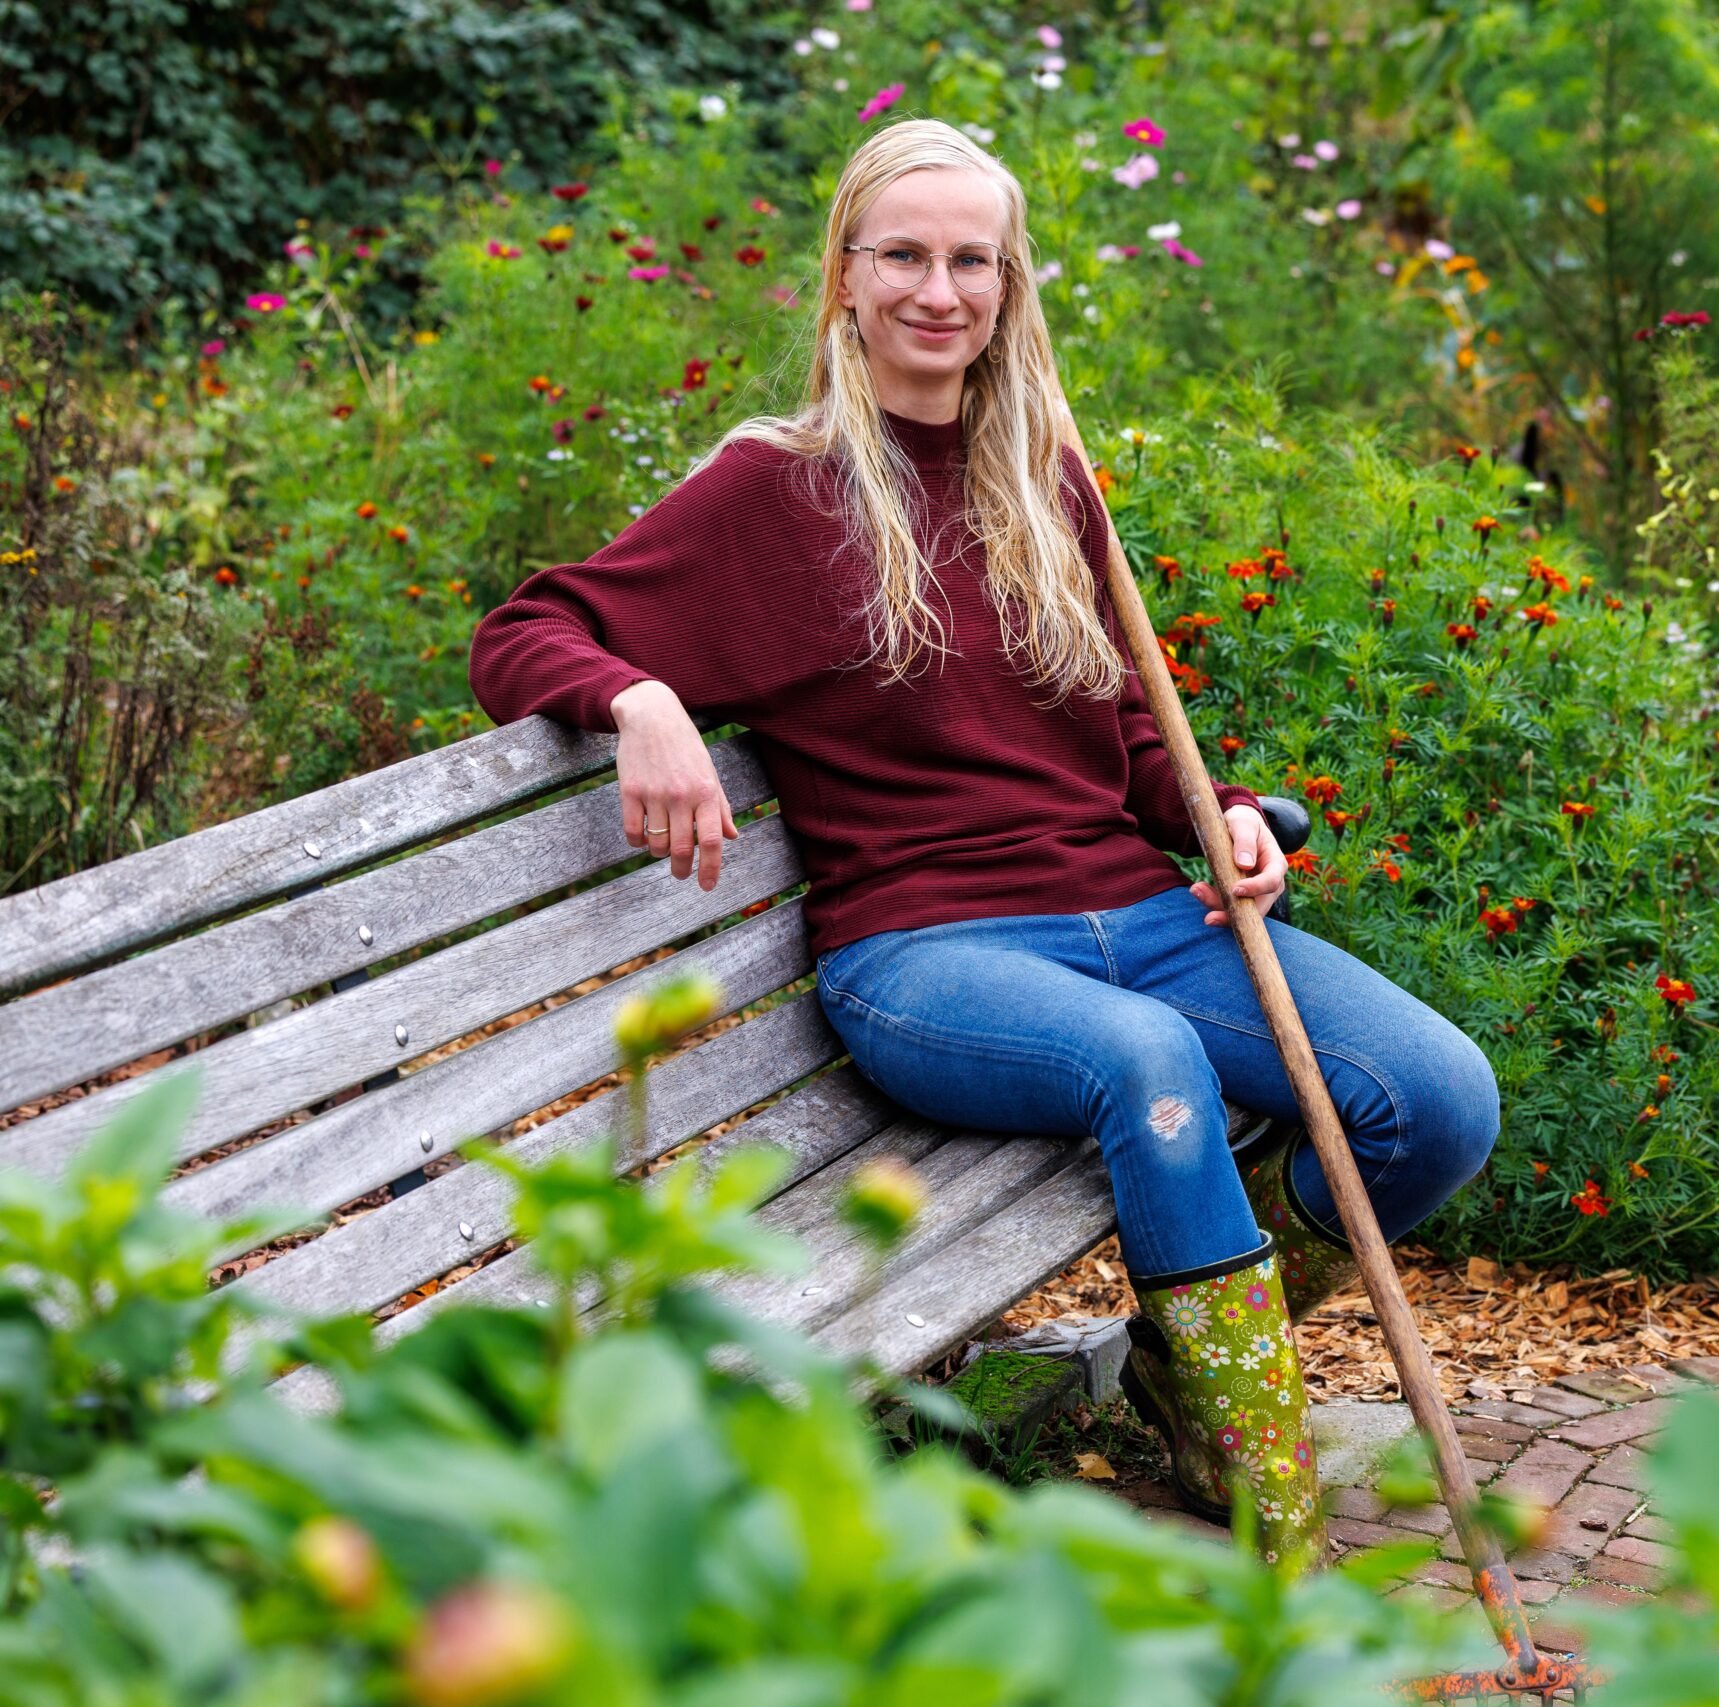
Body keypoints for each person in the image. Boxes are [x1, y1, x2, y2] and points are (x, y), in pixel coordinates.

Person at [467, 117, 1499, 1573]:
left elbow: (1129, 732)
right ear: (842, 275)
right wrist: (636, 698)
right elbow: (526, 629)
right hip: (928, 954)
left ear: (1010, 288)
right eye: (903, 255)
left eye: (973, 260)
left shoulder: (1045, 479)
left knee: (1439, 1099)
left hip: (1137, 919)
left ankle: (1174, 1364)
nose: (937, 290)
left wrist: (1229, 826)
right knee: (1152, 1067)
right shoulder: (777, 488)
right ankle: (1267, 1503)